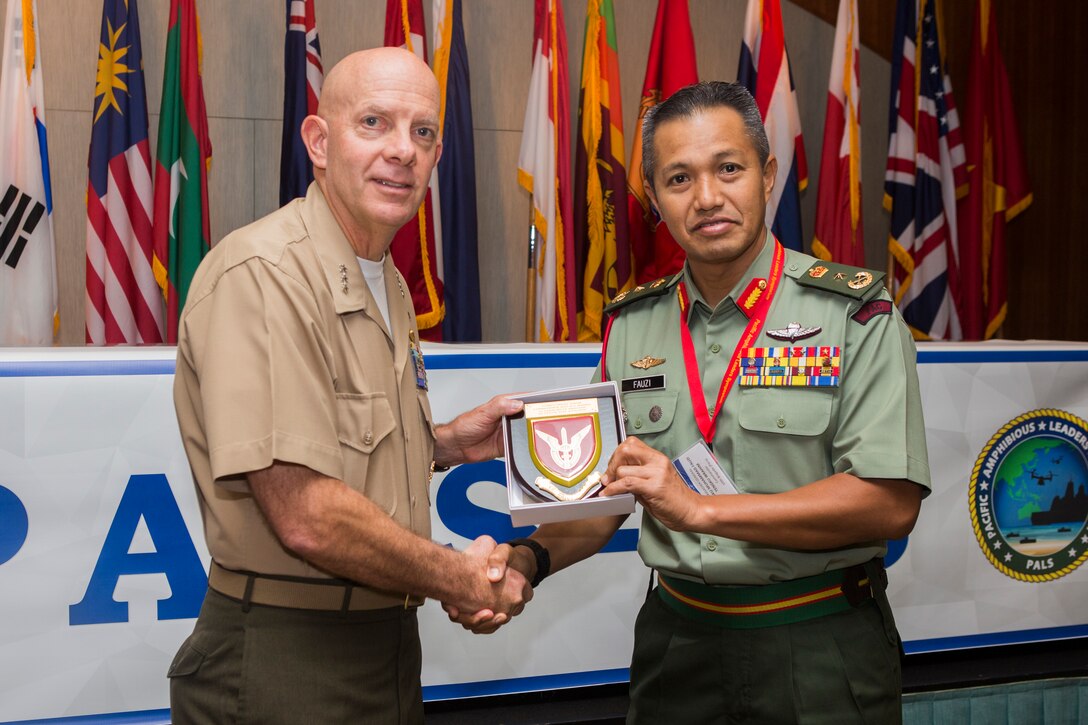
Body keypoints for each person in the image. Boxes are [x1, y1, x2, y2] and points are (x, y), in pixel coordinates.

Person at [455, 81, 930, 723]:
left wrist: (701, 509)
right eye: (679, 179)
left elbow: (889, 501)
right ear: (655, 198)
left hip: (818, 643)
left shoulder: (855, 315)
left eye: (728, 169)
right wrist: (526, 560)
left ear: (767, 176)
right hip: (677, 646)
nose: (707, 198)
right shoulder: (633, 325)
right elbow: (607, 497)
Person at [168, 47, 529, 724]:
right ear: (319, 141)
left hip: (385, 642)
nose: (403, 150)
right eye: (374, 122)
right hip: (286, 652)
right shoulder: (263, 272)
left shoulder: (384, 277)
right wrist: (456, 575)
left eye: (422, 133)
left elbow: (343, 440)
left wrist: (444, 443)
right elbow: (305, 510)